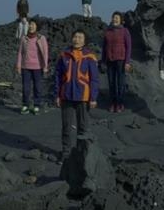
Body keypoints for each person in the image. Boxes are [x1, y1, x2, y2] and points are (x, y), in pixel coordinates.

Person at [54, 29, 100, 162]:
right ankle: (66, 154)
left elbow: (94, 79)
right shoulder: (64, 55)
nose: (77, 39)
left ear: (85, 41)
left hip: (83, 97)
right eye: (75, 36)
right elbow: (57, 77)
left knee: (83, 128)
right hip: (66, 96)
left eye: (80, 37)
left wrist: (93, 98)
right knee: (66, 127)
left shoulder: (90, 57)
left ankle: (81, 154)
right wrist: (57, 95)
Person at [16, 19, 50, 115]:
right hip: (25, 66)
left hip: (38, 67)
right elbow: (20, 53)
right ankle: (25, 105)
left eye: (33, 24)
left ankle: (36, 105)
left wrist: (45, 66)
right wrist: (18, 65)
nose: (31, 26)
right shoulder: (24, 38)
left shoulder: (41, 38)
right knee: (26, 88)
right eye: (30, 24)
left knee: (37, 87)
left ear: (37, 27)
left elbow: (45, 53)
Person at [102, 11, 132, 112]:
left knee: (120, 83)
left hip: (121, 60)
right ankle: (112, 103)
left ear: (121, 20)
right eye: (113, 17)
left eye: (117, 18)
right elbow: (104, 47)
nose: (115, 19)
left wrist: (127, 62)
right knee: (111, 83)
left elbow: (128, 47)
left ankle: (120, 103)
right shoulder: (108, 31)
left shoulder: (125, 31)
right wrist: (103, 61)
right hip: (110, 60)